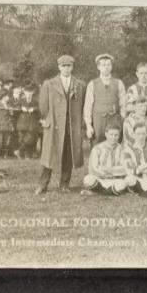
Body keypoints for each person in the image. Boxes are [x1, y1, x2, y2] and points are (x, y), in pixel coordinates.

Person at [37, 55, 86, 194]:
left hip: (71, 126)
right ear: (59, 67)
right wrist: (49, 119)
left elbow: (82, 106)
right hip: (54, 125)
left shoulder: (79, 85)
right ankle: (42, 184)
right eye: (63, 66)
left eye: (69, 66)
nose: (66, 68)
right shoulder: (49, 84)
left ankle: (64, 184)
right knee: (49, 155)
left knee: (68, 155)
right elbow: (43, 105)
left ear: (72, 67)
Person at [84, 53, 127, 144]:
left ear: (111, 67)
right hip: (98, 122)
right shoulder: (92, 84)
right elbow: (88, 107)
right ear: (98, 67)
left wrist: (121, 121)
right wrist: (88, 125)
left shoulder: (119, 83)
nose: (106, 67)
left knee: (115, 147)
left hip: (114, 120)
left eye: (108, 64)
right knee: (97, 147)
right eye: (103, 65)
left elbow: (124, 104)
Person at [82, 123, 130, 195]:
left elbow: (125, 168)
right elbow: (93, 168)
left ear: (119, 136)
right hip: (100, 179)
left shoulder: (122, 149)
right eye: (111, 134)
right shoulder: (97, 149)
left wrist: (110, 170)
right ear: (106, 134)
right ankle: (110, 192)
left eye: (116, 135)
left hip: (115, 179)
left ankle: (97, 193)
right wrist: (104, 174)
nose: (113, 137)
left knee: (123, 183)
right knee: (88, 179)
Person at [14, 81, 41, 158]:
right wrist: (21, 108)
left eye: (30, 92)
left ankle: (27, 154)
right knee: (21, 139)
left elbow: (40, 110)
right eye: (26, 92)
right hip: (22, 123)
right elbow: (15, 109)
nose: (28, 94)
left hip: (31, 123)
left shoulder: (35, 101)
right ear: (24, 92)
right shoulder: (21, 101)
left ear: (33, 92)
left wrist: (34, 109)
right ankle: (20, 153)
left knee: (30, 139)